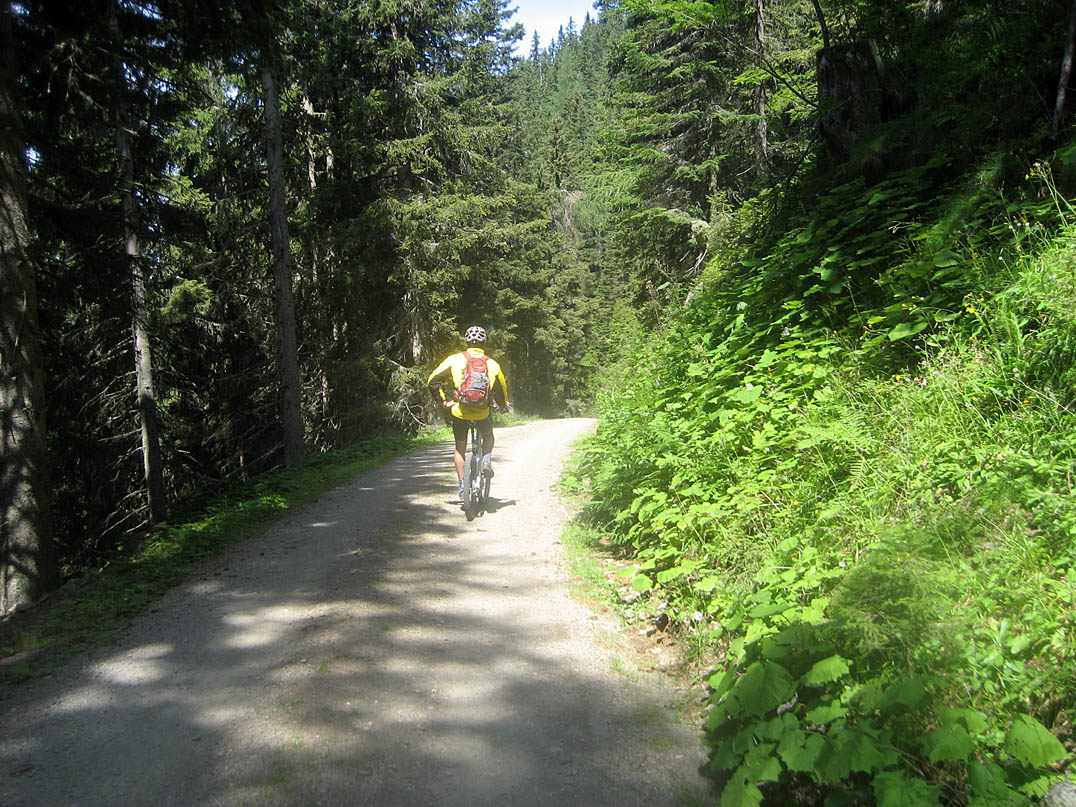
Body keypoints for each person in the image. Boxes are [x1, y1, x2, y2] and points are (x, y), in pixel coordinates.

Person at [427, 325, 511, 503]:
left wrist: (443, 401)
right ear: (484, 343)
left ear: (466, 342)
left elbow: (433, 380)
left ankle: (462, 485)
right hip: (482, 412)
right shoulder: (492, 364)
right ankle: (486, 460)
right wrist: (503, 406)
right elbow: (501, 389)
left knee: (460, 448)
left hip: (460, 412)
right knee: (488, 436)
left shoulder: (455, 359)